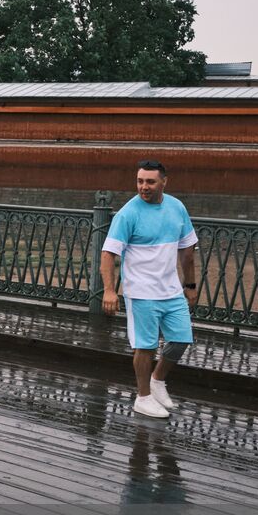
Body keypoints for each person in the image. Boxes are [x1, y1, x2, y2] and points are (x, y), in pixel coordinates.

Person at [100, 159, 199, 419]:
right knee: (145, 346)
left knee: (180, 340)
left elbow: (188, 250)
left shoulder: (177, 207)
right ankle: (142, 397)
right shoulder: (127, 213)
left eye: (150, 181)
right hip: (141, 292)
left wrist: (190, 285)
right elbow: (108, 254)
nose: (144, 186)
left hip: (171, 290)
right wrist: (110, 291)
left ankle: (157, 380)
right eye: (140, 181)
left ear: (164, 182)